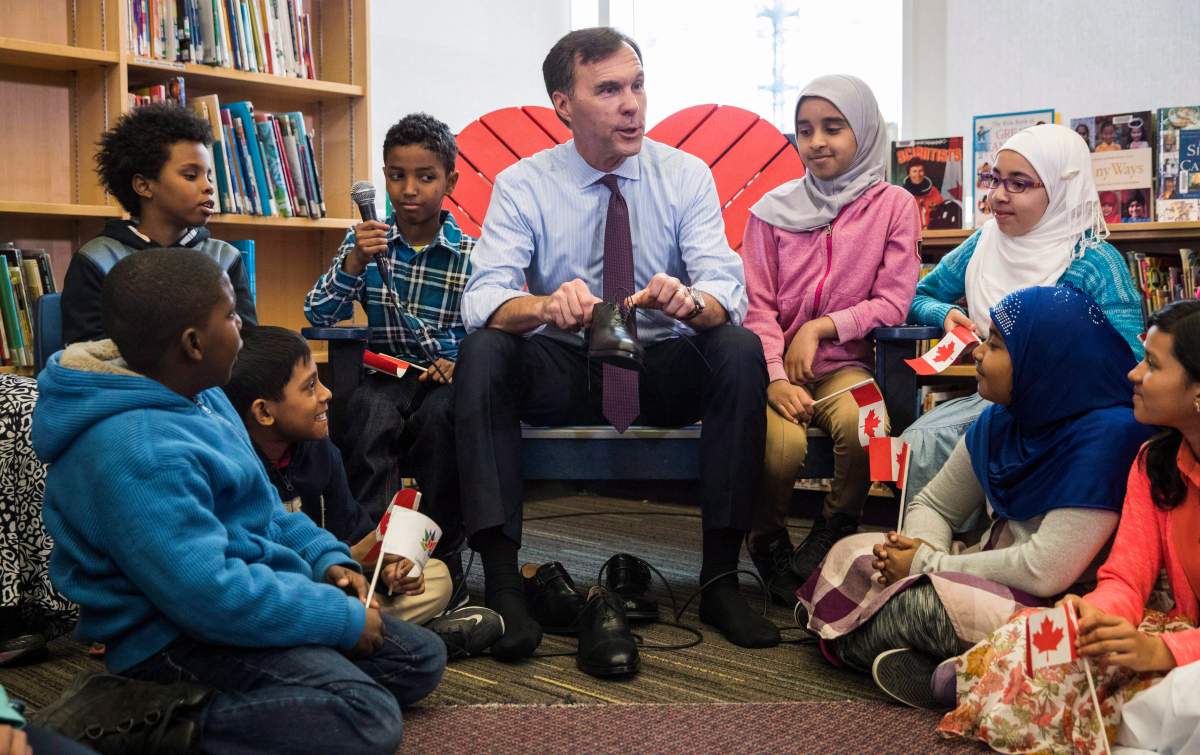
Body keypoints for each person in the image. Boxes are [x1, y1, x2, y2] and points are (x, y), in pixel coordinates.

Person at [32, 250, 445, 753]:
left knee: (418, 659)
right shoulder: (138, 449)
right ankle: (146, 724)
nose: (242, 326)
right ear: (193, 343)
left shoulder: (201, 396)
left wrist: (325, 560)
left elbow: (266, 512)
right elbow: (210, 596)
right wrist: (336, 619)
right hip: (171, 639)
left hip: (237, 600)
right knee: (367, 717)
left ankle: (266, 691)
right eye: (230, 316)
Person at [455, 27, 775, 660]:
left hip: (660, 365)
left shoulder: (685, 176)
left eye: (637, 85)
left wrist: (692, 302)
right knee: (485, 351)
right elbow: (481, 298)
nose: (632, 103)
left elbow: (725, 286)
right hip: (567, 364)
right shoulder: (524, 183)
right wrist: (544, 306)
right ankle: (502, 586)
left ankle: (718, 577)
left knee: (737, 346)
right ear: (564, 105)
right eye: (608, 90)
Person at [799, 285, 1153, 711]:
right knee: (851, 552)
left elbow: (1044, 570)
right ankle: (945, 665)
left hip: (1055, 599)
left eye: (996, 346)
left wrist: (925, 567)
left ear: (1041, 362)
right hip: (986, 568)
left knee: (917, 605)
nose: (978, 354)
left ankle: (909, 662)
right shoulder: (1004, 419)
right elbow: (932, 505)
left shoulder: (1107, 438)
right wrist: (920, 554)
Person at [940, 299, 1200, 753]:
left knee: (1161, 708)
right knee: (1038, 639)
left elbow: (1045, 567)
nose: (1133, 375)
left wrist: (1164, 653)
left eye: (1153, 365)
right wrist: (1099, 617)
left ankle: (977, 680)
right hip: (1174, 631)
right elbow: (1125, 577)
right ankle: (982, 676)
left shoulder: (1105, 437)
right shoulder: (1153, 462)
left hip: (1182, 649)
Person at [222, 325, 504, 658]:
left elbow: (352, 533)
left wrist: (388, 568)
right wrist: (349, 559)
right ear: (264, 412)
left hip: (332, 584)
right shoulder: (234, 466)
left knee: (436, 576)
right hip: (278, 591)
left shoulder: (321, 451)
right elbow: (250, 570)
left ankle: (355, 635)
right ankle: (386, 639)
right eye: (310, 386)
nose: (327, 394)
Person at [741, 74, 920, 599]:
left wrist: (821, 327)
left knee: (869, 424)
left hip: (846, 366)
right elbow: (758, 308)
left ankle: (836, 526)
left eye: (833, 127)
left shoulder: (893, 206)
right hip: (778, 372)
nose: (816, 141)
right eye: (804, 129)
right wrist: (776, 377)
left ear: (863, 132)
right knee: (780, 448)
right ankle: (767, 538)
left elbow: (893, 302)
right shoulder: (770, 212)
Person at [902, 123, 1144, 508]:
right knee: (918, 443)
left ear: (1061, 188)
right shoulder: (984, 242)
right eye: (995, 180)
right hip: (997, 402)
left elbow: (1129, 362)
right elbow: (919, 294)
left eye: (1019, 184)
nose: (998, 196)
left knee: (934, 444)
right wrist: (945, 312)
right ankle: (932, 550)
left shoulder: (1095, 262)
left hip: (1073, 416)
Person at [304, 113, 473, 591]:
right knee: (366, 414)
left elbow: (490, 325)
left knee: (444, 424)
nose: (409, 189)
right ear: (383, 179)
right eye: (397, 176)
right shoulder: (365, 241)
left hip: (444, 379)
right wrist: (354, 261)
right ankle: (370, 548)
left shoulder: (470, 254)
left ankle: (438, 552)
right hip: (385, 376)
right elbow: (318, 312)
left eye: (425, 176)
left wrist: (460, 359)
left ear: (450, 181)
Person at [62, 103, 256, 345]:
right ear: (144, 186)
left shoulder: (224, 258)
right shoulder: (97, 259)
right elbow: (84, 355)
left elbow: (247, 348)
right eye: (190, 176)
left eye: (208, 175)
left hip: (211, 384)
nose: (208, 186)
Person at [902, 158, 945, 228]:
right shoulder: (903, 195)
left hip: (932, 233)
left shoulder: (934, 192)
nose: (918, 174)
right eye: (914, 171)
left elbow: (941, 213)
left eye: (920, 171)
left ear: (924, 173)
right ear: (909, 174)